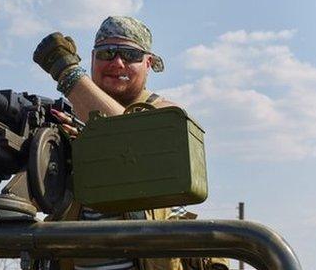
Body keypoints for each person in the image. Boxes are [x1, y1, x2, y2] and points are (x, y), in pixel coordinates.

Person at [33, 16, 229, 270]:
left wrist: (69, 75)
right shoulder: (68, 119)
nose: (117, 62)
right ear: (92, 59)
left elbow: (134, 145)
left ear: (148, 63)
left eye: (130, 54)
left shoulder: (167, 115)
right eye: (107, 53)